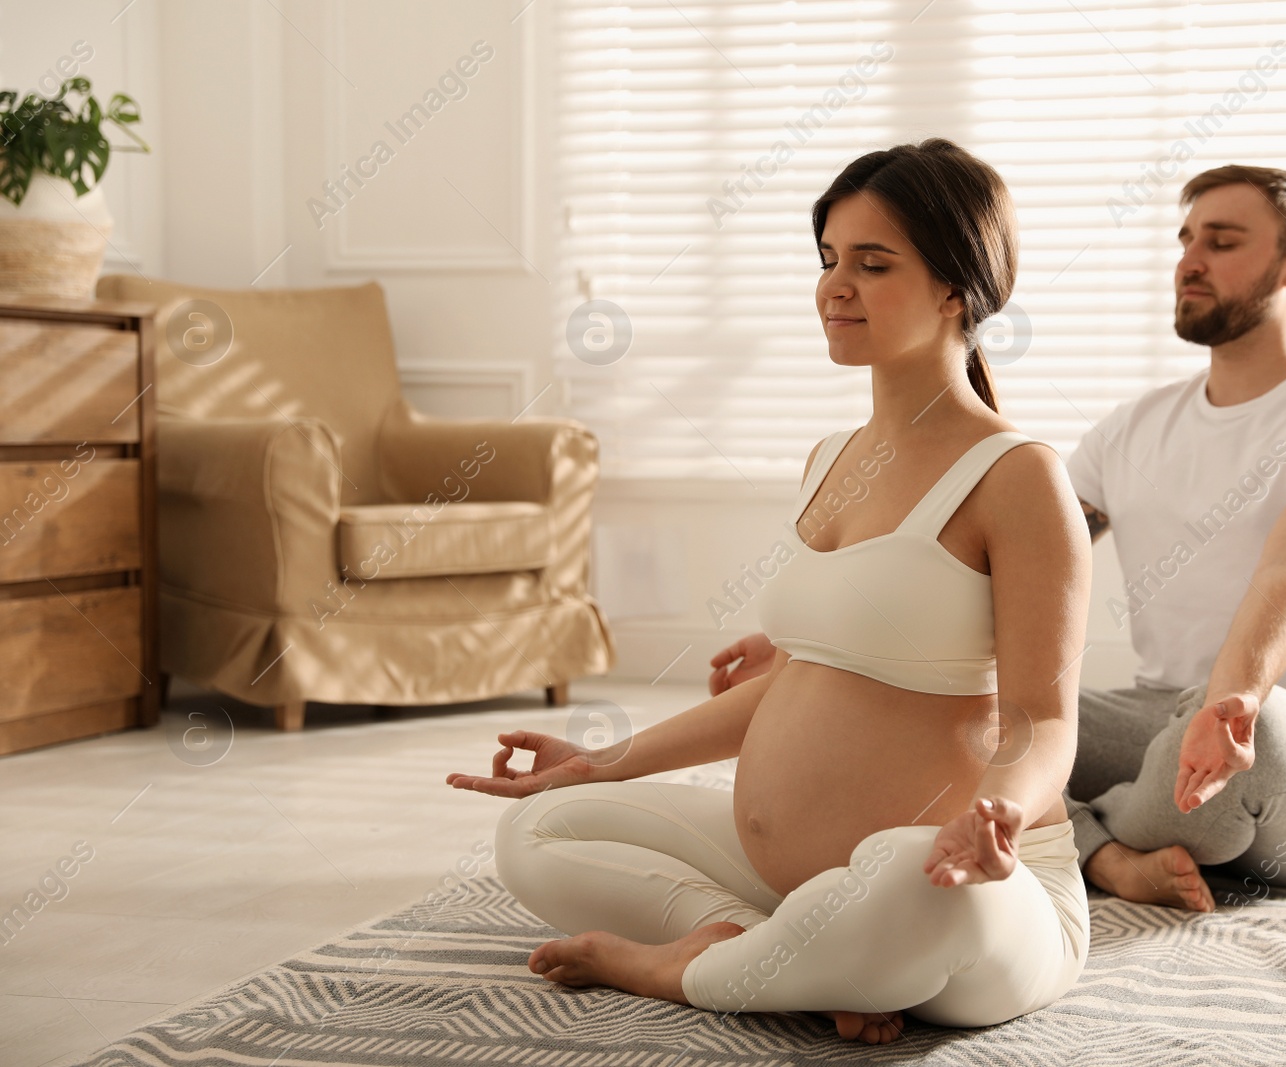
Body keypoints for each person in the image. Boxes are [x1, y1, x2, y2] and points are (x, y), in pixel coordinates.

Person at [447, 138, 1095, 1044]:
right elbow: (793, 686)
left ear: (958, 289)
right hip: (788, 873)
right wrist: (603, 760)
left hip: (965, 884)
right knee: (542, 829)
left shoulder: (1018, 475)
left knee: (909, 892)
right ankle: (781, 949)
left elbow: (1045, 720)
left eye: (873, 264)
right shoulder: (829, 460)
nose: (835, 287)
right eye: (829, 260)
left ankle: (678, 965)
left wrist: (1000, 809)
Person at [712, 164, 1286, 914]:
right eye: (1185, 239)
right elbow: (992, 560)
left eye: (1223, 241)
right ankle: (1110, 851)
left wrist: (1235, 700)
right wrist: (813, 642)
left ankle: (1084, 839)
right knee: (975, 719)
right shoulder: (1136, 426)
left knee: (1259, 744)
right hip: (1157, 715)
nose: (1190, 260)